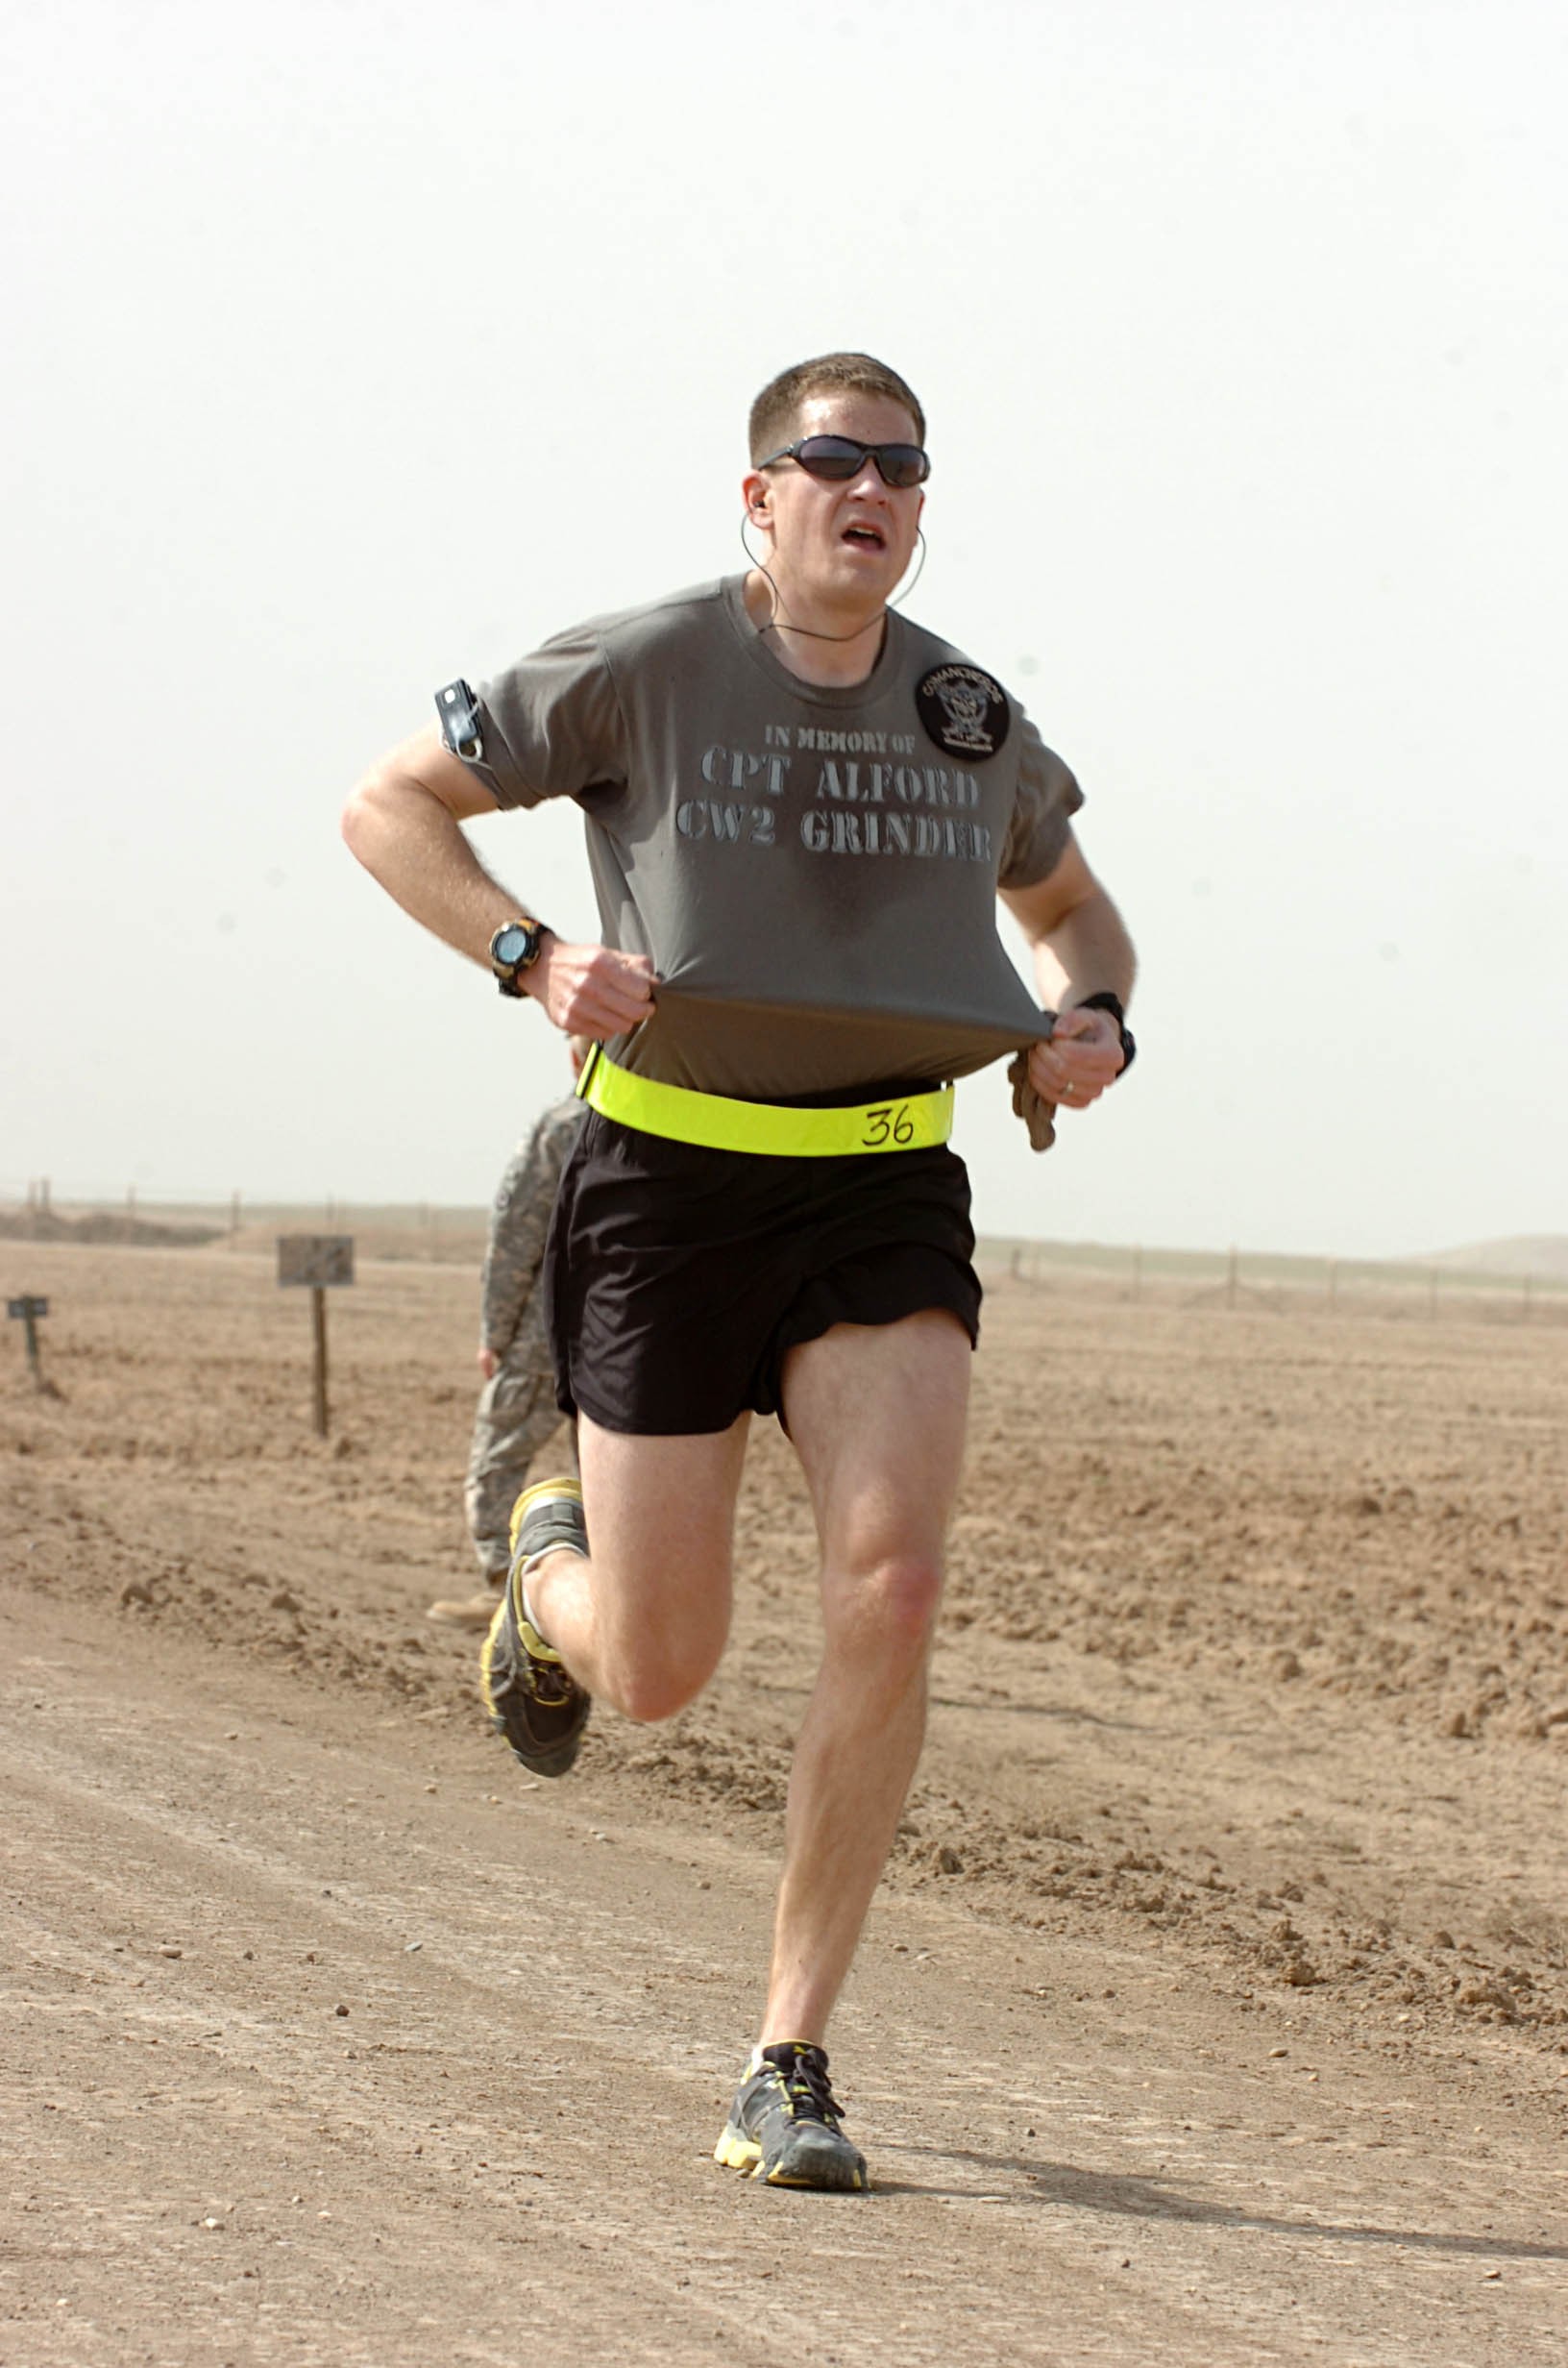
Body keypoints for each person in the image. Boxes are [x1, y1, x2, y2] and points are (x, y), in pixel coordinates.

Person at [342, 351, 1136, 2193]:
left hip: (880, 1186)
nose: (869, 487)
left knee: (895, 1575)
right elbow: (390, 802)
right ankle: (546, 1559)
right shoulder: (641, 666)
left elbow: (1075, 909)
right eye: (830, 459)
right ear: (757, 496)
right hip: (671, 1182)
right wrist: (531, 954)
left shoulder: (964, 710)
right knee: (658, 1670)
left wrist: (1089, 1015)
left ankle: (789, 2055)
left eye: (902, 467)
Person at [425, 1040, 588, 1630]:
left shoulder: (562, 1130)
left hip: (552, 1336)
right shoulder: (673, 1132)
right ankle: (605, 1601)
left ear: (578, 1060)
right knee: (611, 1474)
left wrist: (494, 1332)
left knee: (496, 1462)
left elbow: (515, 1241)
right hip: (635, 1342)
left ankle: (505, 1589)